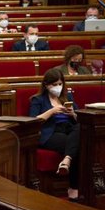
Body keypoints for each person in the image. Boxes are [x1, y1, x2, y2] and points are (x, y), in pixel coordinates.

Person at [29, 68, 80, 200]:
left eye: (60, 84)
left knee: (79, 129)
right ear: (46, 85)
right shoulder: (38, 99)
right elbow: (32, 121)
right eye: (54, 84)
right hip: (50, 132)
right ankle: (73, 188)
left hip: (69, 129)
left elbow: (80, 118)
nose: (58, 87)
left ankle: (66, 160)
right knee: (76, 145)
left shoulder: (67, 97)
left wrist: (73, 114)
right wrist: (52, 111)